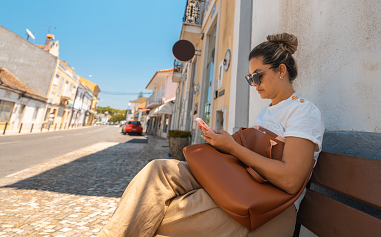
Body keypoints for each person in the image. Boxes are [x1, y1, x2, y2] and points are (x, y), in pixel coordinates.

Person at [99, 33, 324, 237]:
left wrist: (234, 147)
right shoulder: (266, 112)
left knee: (152, 212)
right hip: (241, 185)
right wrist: (222, 143)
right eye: (250, 78)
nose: (254, 83)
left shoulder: (303, 112)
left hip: (268, 208)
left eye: (258, 76)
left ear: (281, 71)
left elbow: (291, 180)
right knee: (158, 170)